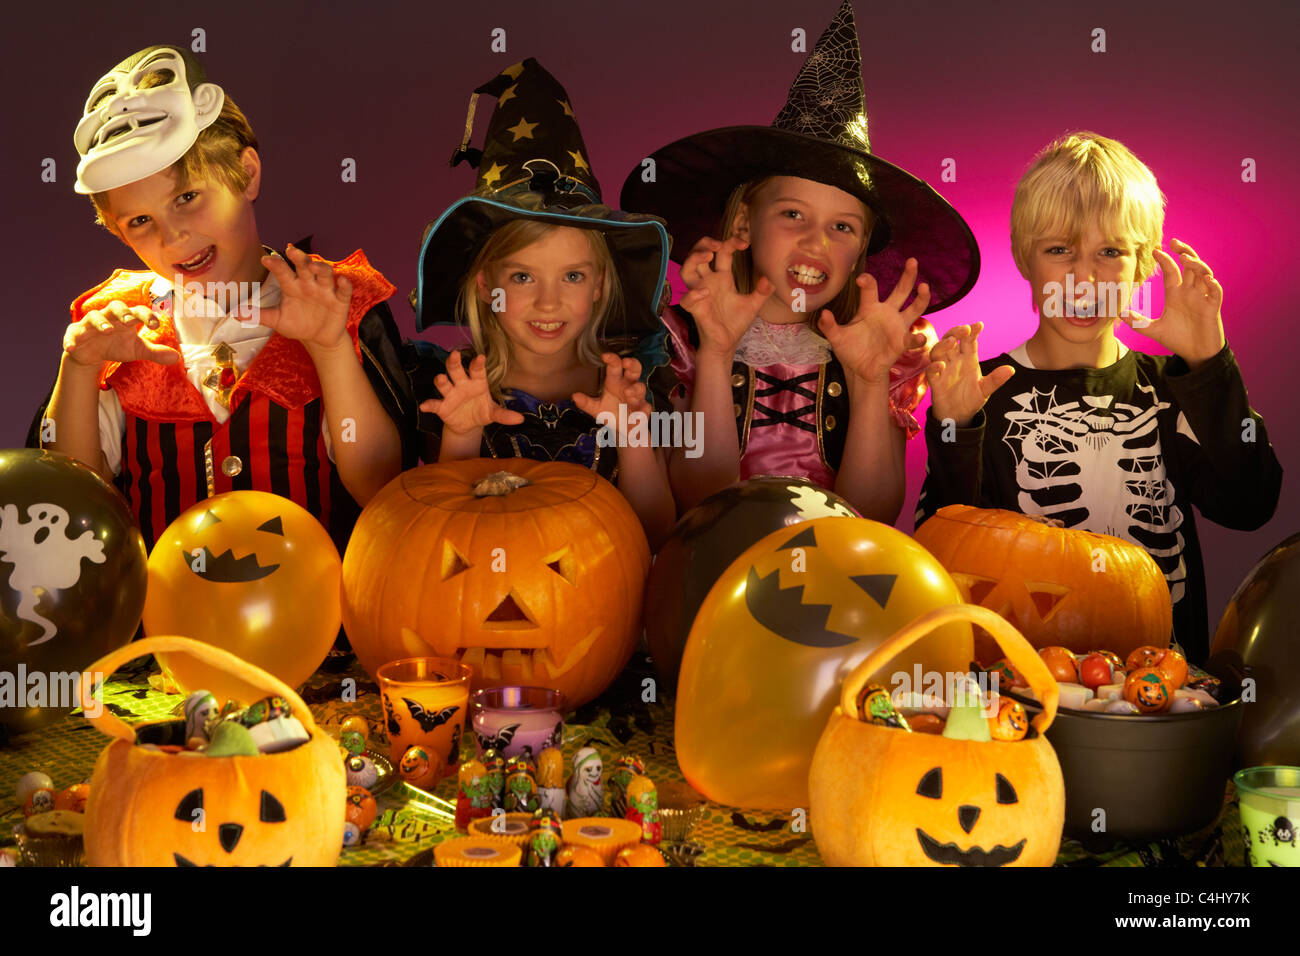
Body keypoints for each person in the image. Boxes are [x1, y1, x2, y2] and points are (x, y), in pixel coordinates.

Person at [917, 131, 1282, 663]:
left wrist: (1210, 367)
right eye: (1059, 250)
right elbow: (940, 550)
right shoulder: (980, 390)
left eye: (1110, 252)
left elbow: (1251, 504)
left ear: (1143, 266)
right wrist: (956, 427)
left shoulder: (1177, 387)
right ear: (1024, 259)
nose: (1084, 279)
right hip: (1013, 687)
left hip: (1161, 691)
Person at [31, 45, 411, 552]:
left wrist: (329, 349)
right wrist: (78, 369)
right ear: (120, 235)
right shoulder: (115, 326)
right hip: (164, 627)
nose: (173, 238)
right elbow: (73, 503)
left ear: (247, 174)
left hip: (319, 622)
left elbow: (381, 488)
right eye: (140, 222)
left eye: (186, 197)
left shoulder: (336, 301)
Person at [620, 0, 978, 520]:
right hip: (714, 574)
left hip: (837, 577)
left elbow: (873, 517)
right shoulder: (684, 337)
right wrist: (718, 354)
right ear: (743, 223)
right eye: (793, 214)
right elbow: (698, 502)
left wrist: (871, 380)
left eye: (842, 227)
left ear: (862, 251)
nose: (816, 243)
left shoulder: (883, 348)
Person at [405, 59, 676, 548]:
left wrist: (634, 437)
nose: (549, 302)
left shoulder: (632, 383)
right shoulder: (457, 387)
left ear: (598, 285)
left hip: (610, 605)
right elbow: (446, 538)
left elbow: (657, 536)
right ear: (487, 285)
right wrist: (461, 437)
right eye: (523, 276)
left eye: (572, 276)